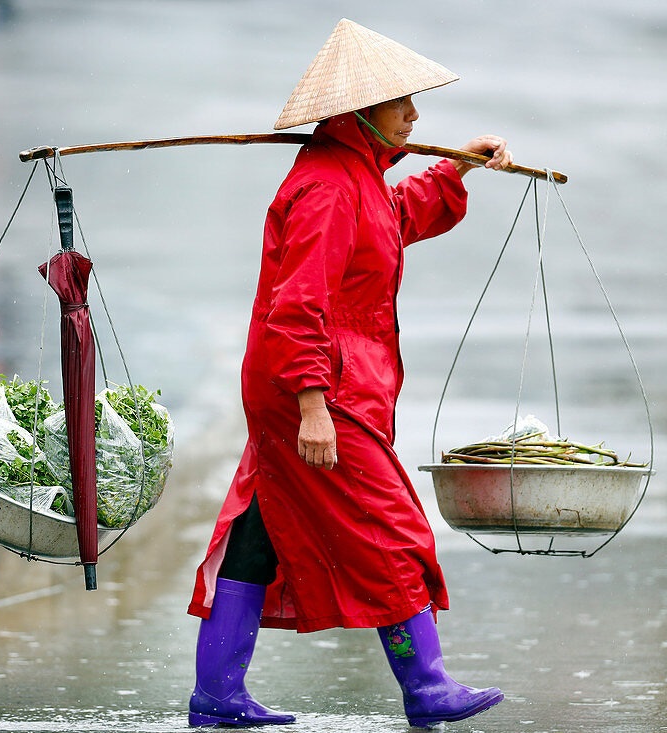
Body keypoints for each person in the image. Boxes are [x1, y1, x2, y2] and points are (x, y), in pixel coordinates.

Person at [186, 18, 513, 729]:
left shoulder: (357, 179)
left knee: (259, 529)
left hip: (326, 386)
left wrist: (452, 167)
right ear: (358, 112)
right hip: (314, 390)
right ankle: (426, 685)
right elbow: (295, 305)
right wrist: (312, 407)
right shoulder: (329, 188)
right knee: (391, 528)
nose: (416, 116)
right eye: (403, 104)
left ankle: (216, 694)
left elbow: (391, 221)